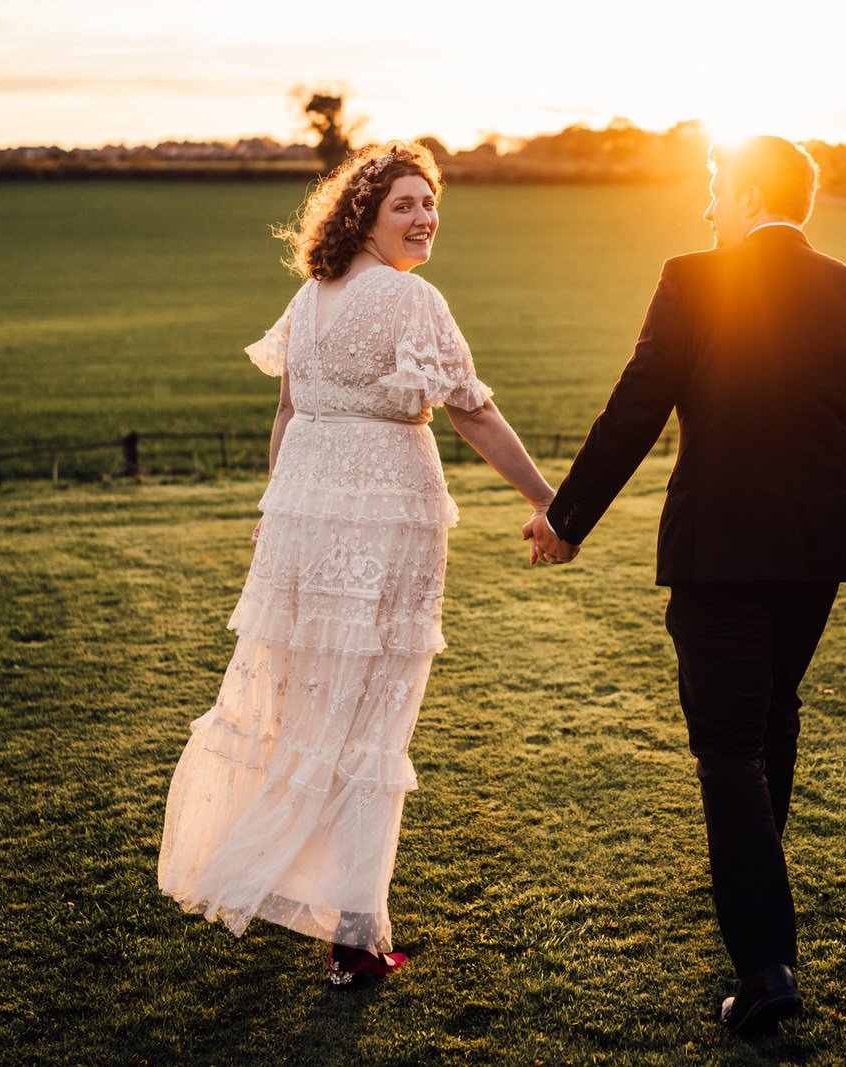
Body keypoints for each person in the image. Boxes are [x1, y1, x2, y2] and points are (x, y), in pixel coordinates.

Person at [525, 135, 846, 1034]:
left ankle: (764, 967)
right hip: (812, 558)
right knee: (772, 714)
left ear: (749, 194)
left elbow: (635, 408)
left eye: (716, 191)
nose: (709, 209)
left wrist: (564, 519)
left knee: (726, 746)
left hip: (716, 556)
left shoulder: (691, 279)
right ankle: (759, 872)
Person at [158, 140, 555, 987]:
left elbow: (289, 417)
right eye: (405, 204)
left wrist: (279, 508)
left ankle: (314, 899)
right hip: (377, 522)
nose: (425, 218)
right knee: (371, 720)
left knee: (312, 706)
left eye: (431, 201)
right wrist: (549, 498)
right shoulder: (410, 300)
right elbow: (473, 413)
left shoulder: (310, 298)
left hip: (309, 522)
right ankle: (353, 935)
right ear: (364, 217)